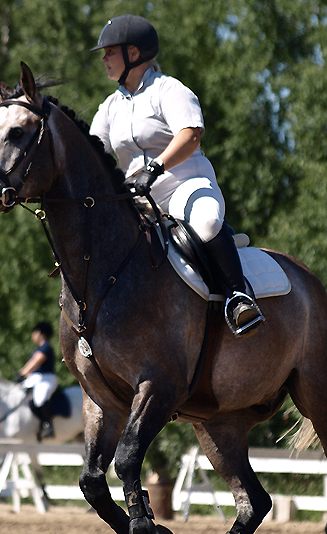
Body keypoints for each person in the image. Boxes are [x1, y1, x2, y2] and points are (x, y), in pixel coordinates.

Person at [89, 14, 265, 337]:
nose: (103, 59)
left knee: (209, 222)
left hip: (184, 185)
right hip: (138, 198)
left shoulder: (168, 90)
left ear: (133, 53)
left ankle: (240, 298)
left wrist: (155, 168)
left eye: (109, 52)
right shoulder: (110, 107)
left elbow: (190, 134)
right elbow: (92, 151)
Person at [16, 322, 58, 439]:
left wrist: (22, 373)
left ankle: (47, 425)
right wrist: (24, 374)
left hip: (46, 378)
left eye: (34, 332)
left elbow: (37, 361)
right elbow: (32, 367)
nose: (32, 335)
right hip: (37, 378)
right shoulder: (38, 348)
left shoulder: (46, 347)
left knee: (40, 399)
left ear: (40, 333)